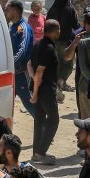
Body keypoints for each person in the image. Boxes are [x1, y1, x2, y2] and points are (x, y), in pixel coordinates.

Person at [30, 19, 60, 164]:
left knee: (40, 119)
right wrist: (35, 93)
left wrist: (33, 80)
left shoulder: (37, 45)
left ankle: (36, 152)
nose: (60, 32)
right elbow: (40, 71)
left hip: (39, 88)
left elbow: (30, 65)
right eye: (58, 29)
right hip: (46, 90)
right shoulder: (48, 47)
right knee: (54, 119)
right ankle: (41, 153)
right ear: (54, 31)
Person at [6, 0, 35, 117]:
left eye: (8, 10)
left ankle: (43, 129)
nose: (6, 12)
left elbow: (22, 50)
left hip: (21, 74)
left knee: (30, 103)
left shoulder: (23, 28)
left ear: (14, 11)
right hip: (12, 74)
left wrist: (10, 65)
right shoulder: (14, 27)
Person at [46, 0, 79, 91]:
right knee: (68, 63)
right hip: (66, 42)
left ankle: (57, 84)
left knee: (57, 63)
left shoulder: (52, 9)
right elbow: (76, 25)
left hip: (54, 41)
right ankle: (61, 81)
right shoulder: (70, 9)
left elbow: (47, 24)